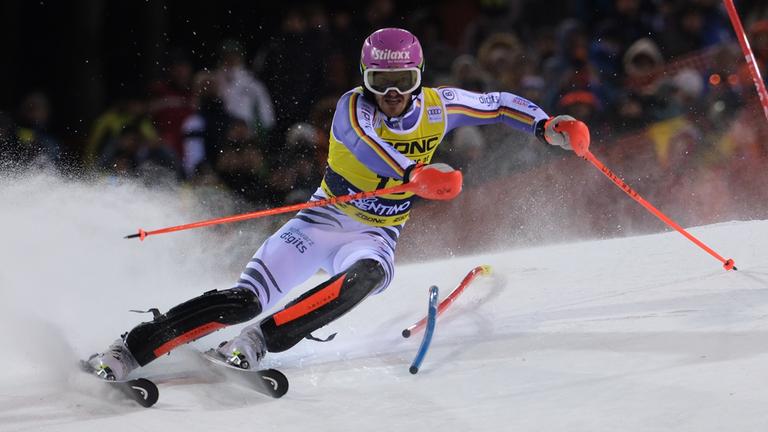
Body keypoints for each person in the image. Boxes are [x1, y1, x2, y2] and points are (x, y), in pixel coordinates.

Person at [86, 28, 589, 380]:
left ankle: (262, 342)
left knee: (366, 277)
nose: (391, 96)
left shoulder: (439, 106)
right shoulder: (353, 107)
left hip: (375, 233)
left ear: (419, 77)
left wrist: (548, 126)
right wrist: (417, 173)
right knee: (245, 299)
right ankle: (131, 347)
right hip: (322, 221)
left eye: (403, 84)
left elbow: (498, 103)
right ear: (366, 79)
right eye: (380, 84)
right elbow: (370, 144)